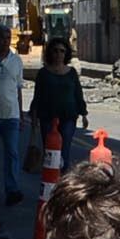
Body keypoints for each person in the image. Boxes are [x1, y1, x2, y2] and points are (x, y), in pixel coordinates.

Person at [0, 21, 28, 198]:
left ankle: (12, 189)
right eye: (1, 38)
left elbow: (18, 89)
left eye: (8, 38)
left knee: (12, 153)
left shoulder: (16, 61)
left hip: (11, 116)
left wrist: (21, 114)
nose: (5, 41)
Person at [36, 33, 87, 181]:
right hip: (47, 117)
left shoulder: (71, 73)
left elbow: (78, 93)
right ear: (50, 53)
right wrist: (34, 119)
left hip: (68, 117)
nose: (59, 54)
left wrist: (83, 114)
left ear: (66, 54)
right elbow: (38, 96)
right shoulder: (43, 73)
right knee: (50, 152)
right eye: (56, 50)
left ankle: (62, 181)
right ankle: (49, 180)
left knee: (64, 151)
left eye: (62, 51)